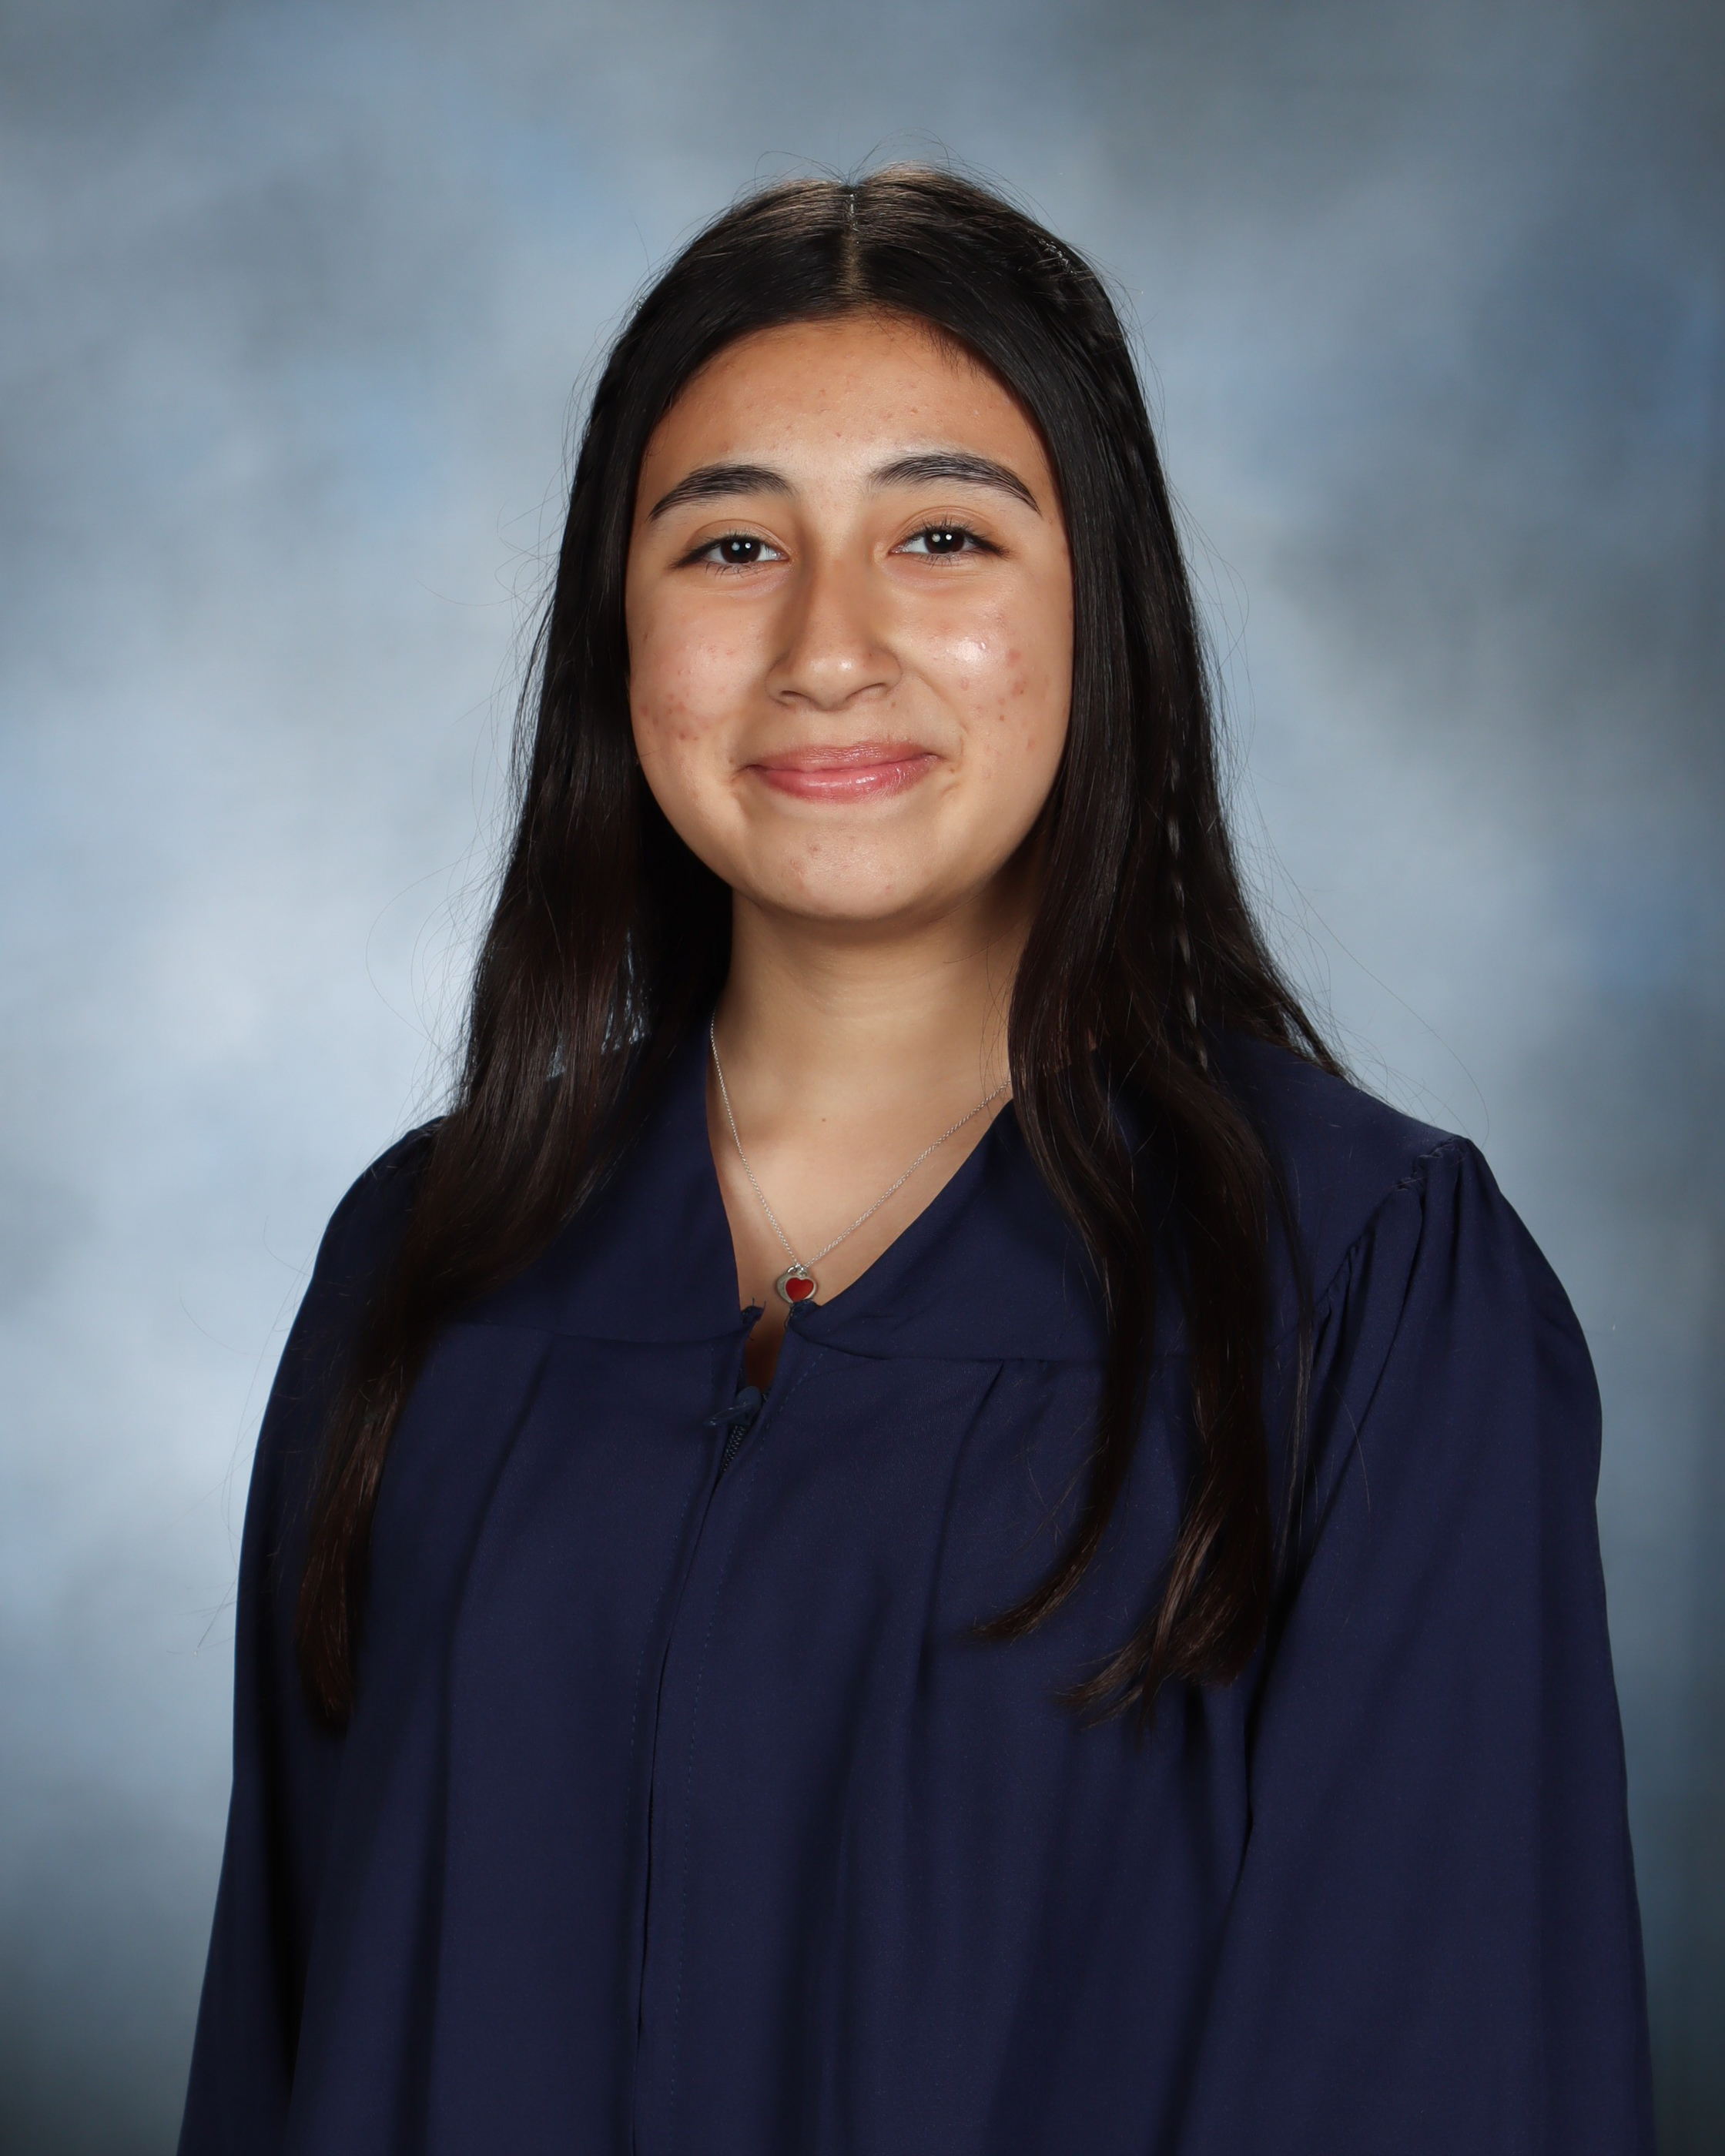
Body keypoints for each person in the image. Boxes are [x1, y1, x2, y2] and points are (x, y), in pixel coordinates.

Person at [178, 167, 1653, 2154]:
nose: (829, 648)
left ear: (1102, 611)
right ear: (619, 631)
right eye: (729, 547)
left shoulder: (1362, 1285)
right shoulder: (433, 1262)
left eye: (944, 535)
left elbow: (1436, 2078)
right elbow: (285, 2048)